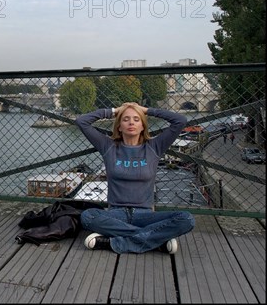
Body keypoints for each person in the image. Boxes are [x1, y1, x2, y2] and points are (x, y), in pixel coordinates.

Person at [75, 102, 195, 254]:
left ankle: (116, 243)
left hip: (145, 214)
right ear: (119, 126)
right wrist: (113, 111)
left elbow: (180, 120)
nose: (131, 122)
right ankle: (155, 240)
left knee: (187, 219)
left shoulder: (154, 146)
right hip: (116, 213)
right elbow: (81, 121)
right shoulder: (108, 146)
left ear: (143, 126)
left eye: (136, 119)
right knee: (88, 216)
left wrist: (147, 110)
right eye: (125, 119)